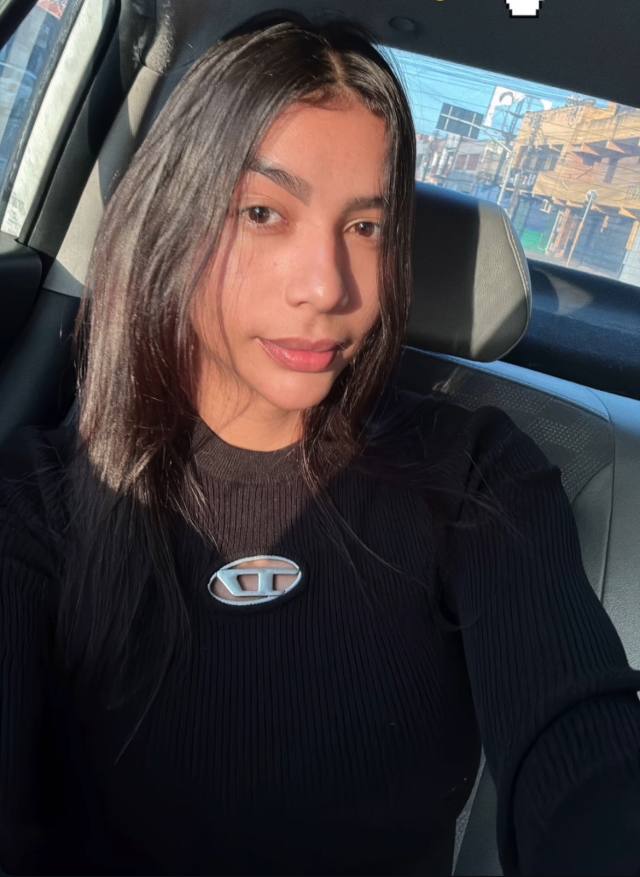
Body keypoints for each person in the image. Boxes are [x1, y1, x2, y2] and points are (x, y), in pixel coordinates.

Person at [1, 15, 640, 877]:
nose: (328, 286)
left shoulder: (474, 474)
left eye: (366, 227)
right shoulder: (39, 506)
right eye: (264, 212)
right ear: (174, 216)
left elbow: (578, 734)